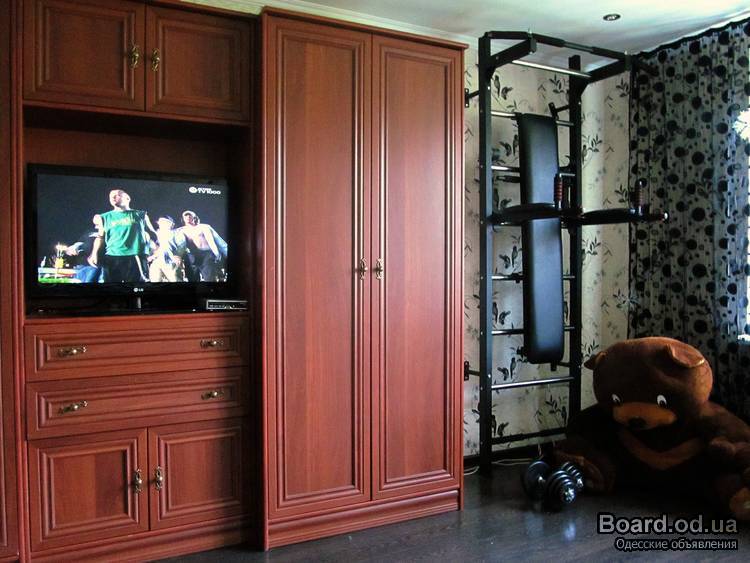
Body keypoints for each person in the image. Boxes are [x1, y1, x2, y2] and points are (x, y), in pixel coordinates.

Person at [88, 189, 156, 283]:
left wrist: (153, 251)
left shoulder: (140, 215)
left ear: (127, 198)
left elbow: (152, 233)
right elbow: (100, 237)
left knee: (137, 287)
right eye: (111, 196)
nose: (113, 197)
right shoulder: (104, 217)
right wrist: (94, 254)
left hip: (135, 256)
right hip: (112, 257)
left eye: (118, 195)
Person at [178, 210, 227, 282]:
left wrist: (218, 253)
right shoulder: (181, 230)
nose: (188, 217)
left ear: (194, 217)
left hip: (206, 255)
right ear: (183, 219)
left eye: (190, 216)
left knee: (209, 278)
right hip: (191, 256)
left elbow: (219, 241)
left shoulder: (204, 227)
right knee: (192, 279)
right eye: (186, 216)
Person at [147, 215, 187, 282]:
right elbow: (159, 249)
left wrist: (177, 255)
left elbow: (182, 245)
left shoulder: (176, 233)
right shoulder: (157, 235)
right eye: (160, 222)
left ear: (171, 224)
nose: (161, 224)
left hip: (171, 262)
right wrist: (151, 256)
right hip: (157, 262)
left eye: (164, 222)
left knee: (175, 280)